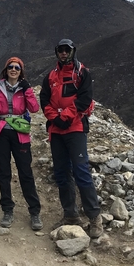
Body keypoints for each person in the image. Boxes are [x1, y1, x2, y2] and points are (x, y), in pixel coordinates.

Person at [40, 39, 103, 238]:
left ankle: (94, 217)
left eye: (67, 50)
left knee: (81, 170)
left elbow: (85, 100)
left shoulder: (82, 73)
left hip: (75, 128)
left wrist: (65, 117)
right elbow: (44, 100)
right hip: (57, 130)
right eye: (61, 50)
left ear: (73, 51)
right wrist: (54, 118)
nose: (64, 53)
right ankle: (70, 215)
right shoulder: (50, 76)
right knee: (61, 172)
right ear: (57, 52)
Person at [0, 56, 43, 230]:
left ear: (21, 71)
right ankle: (8, 210)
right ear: (5, 70)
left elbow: (34, 108)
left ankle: (34, 211)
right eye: (10, 67)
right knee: (4, 172)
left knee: (25, 172)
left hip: (20, 134)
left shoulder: (24, 88)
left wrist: (28, 90)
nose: (13, 70)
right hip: (1, 133)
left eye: (17, 68)